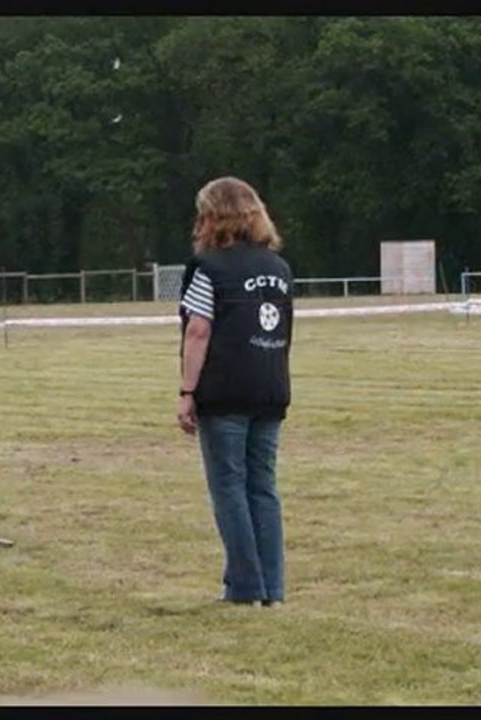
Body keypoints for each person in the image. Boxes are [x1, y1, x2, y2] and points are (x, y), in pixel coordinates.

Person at [176, 176, 294, 608]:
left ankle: (244, 587)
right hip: (271, 388)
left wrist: (187, 390)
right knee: (263, 487)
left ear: (213, 216)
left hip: (225, 393)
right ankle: (272, 588)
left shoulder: (209, 267)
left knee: (229, 486)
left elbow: (198, 330)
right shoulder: (279, 268)